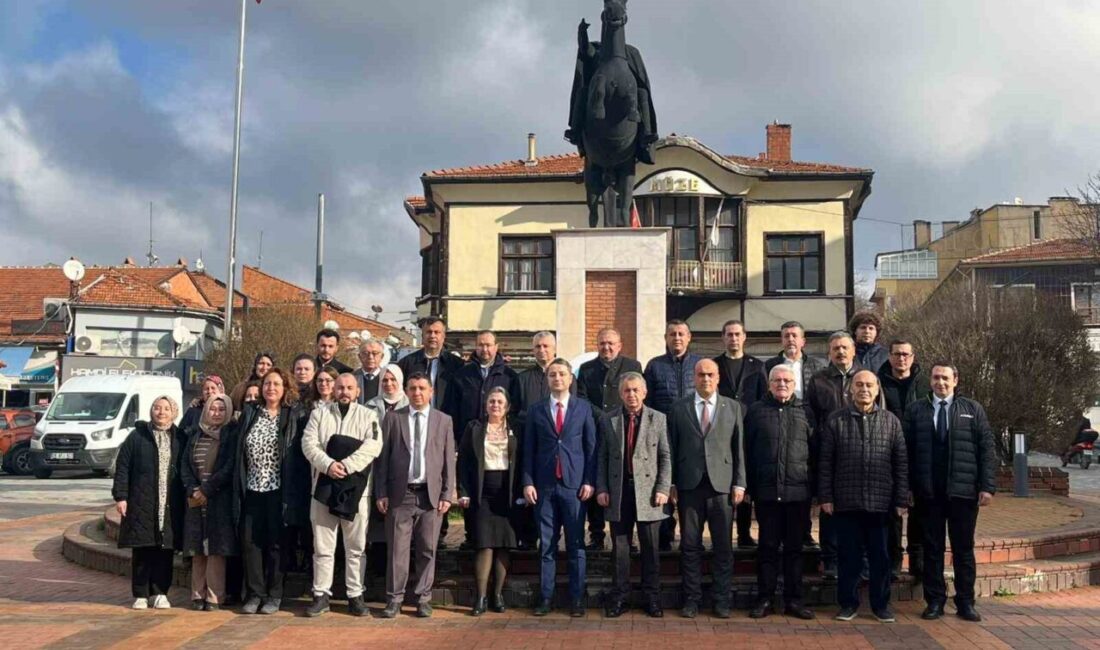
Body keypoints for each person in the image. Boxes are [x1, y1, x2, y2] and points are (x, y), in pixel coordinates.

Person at [904, 363, 996, 623]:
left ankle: (965, 601)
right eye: (936, 377)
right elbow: (906, 452)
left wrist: (987, 486)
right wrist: (907, 487)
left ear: (955, 380)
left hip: (963, 493)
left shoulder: (972, 409)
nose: (940, 382)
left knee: (963, 549)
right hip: (928, 493)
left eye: (945, 377)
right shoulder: (916, 410)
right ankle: (934, 601)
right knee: (932, 549)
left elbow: (986, 449)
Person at [819, 370, 908, 623]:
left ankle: (881, 606)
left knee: (881, 557)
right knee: (848, 557)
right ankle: (848, 604)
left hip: (881, 504)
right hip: (846, 502)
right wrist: (826, 496)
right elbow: (825, 463)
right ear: (851, 389)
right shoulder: (836, 420)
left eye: (869, 385)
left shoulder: (891, 421)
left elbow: (901, 463)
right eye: (859, 385)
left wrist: (901, 499)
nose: (864, 389)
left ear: (877, 390)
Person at [668, 359, 745, 619]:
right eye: (701, 374)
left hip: (722, 486)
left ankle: (721, 600)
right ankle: (692, 599)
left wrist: (740, 482)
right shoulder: (678, 408)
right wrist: (672, 482)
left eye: (710, 374)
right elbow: (672, 448)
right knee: (690, 545)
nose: (706, 379)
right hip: (689, 486)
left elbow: (739, 448)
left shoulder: (732, 407)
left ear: (718, 377)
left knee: (723, 546)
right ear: (694, 377)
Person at [375, 372, 456, 619]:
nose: (417, 393)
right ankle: (394, 599)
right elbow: (382, 459)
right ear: (406, 391)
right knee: (397, 551)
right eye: (412, 388)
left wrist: (447, 493)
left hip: (430, 496)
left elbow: (448, 460)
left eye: (422, 388)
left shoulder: (443, 420)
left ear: (431, 391)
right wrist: (381, 492)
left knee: (427, 549)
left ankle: (423, 598)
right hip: (400, 494)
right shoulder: (393, 418)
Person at [302, 373, 384, 618]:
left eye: (349, 387)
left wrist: (346, 466)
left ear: (357, 391)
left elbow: (373, 446)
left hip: (356, 489)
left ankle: (355, 595)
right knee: (322, 546)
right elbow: (308, 444)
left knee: (356, 547)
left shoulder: (368, 416)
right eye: (340, 387)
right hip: (324, 486)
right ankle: (321, 595)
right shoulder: (319, 414)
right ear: (333, 389)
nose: (344, 392)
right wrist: (328, 465)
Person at [522, 358, 597, 618]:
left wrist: (589, 480)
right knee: (547, 544)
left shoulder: (583, 408)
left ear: (570, 378)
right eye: (553, 374)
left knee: (576, 544)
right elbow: (528, 449)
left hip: (574, 487)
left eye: (562, 374)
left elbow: (591, 448)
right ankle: (546, 597)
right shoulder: (536, 410)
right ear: (547, 379)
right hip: (544, 486)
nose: (557, 378)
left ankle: (577, 599)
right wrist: (528, 482)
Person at [596, 372, 670, 619]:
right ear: (620, 394)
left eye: (636, 390)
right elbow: (602, 457)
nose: (632, 395)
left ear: (644, 392)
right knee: (620, 549)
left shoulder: (658, 418)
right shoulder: (608, 420)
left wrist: (663, 488)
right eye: (627, 390)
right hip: (619, 491)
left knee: (651, 548)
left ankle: (652, 598)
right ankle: (620, 597)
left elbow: (665, 456)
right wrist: (602, 488)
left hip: (649, 493)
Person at [745, 365, 815, 620]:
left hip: (798, 494)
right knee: (767, 548)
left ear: (794, 384)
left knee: (794, 550)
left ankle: (794, 600)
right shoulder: (756, 411)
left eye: (787, 380)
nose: (782, 384)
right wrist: (749, 487)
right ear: (769, 383)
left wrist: (814, 489)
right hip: (767, 493)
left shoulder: (806, 411)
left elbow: (815, 452)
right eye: (777, 380)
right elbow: (747, 451)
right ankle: (765, 599)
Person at [234, 367, 300, 615]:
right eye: (267, 384)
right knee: (251, 543)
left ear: (285, 389)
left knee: (276, 545)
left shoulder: (291, 415)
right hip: (252, 488)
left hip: (278, 490)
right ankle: (254, 594)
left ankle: (274, 594)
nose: (271, 388)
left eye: (276, 384)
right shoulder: (251, 413)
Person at [517, 333, 589, 547]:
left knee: (575, 539)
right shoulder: (522, 379)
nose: (542, 350)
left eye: (546, 346)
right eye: (537, 346)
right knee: (545, 537)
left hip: (570, 474)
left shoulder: (572, 387)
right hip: (541, 459)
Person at [112, 395, 183, 610]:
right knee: (142, 549)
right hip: (142, 500)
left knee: (165, 550)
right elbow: (123, 467)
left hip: (169, 502)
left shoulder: (180, 438)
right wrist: (121, 496)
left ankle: (160, 592)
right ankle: (141, 593)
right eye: (157, 408)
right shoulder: (137, 436)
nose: (161, 412)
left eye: (166, 409)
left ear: (174, 412)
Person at [805, 331, 863, 578]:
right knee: (829, 507)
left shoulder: (864, 377)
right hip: (828, 452)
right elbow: (810, 416)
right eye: (836, 348)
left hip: (859, 452)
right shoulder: (819, 380)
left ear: (853, 351)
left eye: (844, 348)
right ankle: (830, 559)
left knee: (857, 509)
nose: (840, 352)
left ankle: (858, 560)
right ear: (829, 352)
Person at [458, 387, 520, 616]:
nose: (495, 405)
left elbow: (522, 460)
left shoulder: (516, 428)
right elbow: (463, 462)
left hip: (507, 493)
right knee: (484, 543)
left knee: (503, 544)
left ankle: (498, 595)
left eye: (500, 402)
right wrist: (463, 491)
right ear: (486, 405)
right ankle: (481, 597)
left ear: (507, 407)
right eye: (492, 401)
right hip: (482, 493)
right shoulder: (474, 428)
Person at [644, 320, 703, 551]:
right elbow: (647, 401)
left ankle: (692, 538)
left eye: (681, 334)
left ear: (689, 337)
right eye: (672, 334)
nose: (676, 338)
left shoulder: (699, 364)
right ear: (665, 338)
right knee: (664, 482)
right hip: (663, 433)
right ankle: (664, 535)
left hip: (692, 434)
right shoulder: (654, 366)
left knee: (691, 485)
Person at [180, 394, 238, 611]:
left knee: (216, 550)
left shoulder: (231, 436)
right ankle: (197, 594)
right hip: (195, 498)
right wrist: (192, 488)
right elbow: (185, 465)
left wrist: (207, 489)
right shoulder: (195, 434)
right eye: (213, 409)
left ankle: (214, 596)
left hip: (218, 498)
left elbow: (229, 466)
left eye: (222, 409)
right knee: (197, 548)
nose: (217, 413)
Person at [878, 339, 930, 578]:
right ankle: (893, 559)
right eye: (897, 354)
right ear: (889, 356)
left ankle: (918, 560)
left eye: (906, 354)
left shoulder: (924, 383)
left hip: (919, 451)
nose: (901, 358)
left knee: (919, 508)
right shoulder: (879, 381)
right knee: (893, 510)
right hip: (887, 451)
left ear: (913, 357)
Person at [712, 319, 767, 548]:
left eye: (737, 334)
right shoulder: (715, 365)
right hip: (722, 429)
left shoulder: (757, 365)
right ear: (723, 338)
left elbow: (763, 397)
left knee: (745, 482)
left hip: (749, 428)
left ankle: (744, 533)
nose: (733, 338)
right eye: (729, 334)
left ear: (744, 337)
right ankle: (722, 534)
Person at [364, 363, 409, 580]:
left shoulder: (410, 404)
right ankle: (378, 570)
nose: (389, 384)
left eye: (393, 380)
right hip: (376, 469)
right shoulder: (370, 406)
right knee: (378, 520)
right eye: (385, 380)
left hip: (402, 470)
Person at [397, 316, 463, 411]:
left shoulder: (457, 365)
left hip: (446, 418)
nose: (432, 336)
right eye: (429, 332)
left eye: (437, 332)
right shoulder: (406, 363)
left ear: (443, 336)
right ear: (422, 336)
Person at [577, 327, 643, 413]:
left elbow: (639, 395)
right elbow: (582, 397)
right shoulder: (586, 369)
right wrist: (599, 415)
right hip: (594, 418)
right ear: (597, 346)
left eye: (610, 343)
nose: (606, 347)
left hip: (623, 418)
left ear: (619, 346)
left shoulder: (632, 367)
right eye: (602, 343)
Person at [764, 321, 827, 401]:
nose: (790, 339)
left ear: (803, 342)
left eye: (794, 336)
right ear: (782, 341)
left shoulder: (817, 367)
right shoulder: (769, 366)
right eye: (787, 336)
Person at [354, 338, 386, 403]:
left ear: (382, 356)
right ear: (359, 356)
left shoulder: (388, 377)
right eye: (365, 353)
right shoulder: (353, 377)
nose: (370, 357)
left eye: (375, 353)